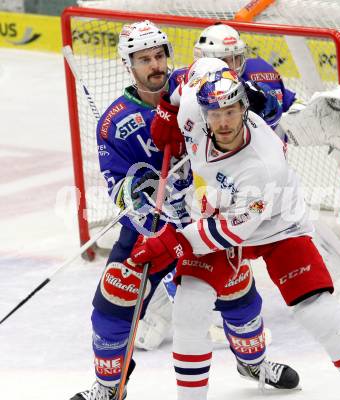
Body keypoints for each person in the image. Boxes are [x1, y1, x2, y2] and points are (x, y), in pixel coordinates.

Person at [129, 66, 340, 400]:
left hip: (277, 225)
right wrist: (168, 112)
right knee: (189, 309)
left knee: (320, 315)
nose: (223, 123)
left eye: (230, 112)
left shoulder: (264, 166)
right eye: (215, 114)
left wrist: (173, 242)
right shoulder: (193, 109)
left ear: (244, 109)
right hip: (222, 209)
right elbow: (190, 76)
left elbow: (231, 232)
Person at [70, 21, 298, 400]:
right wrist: (142, 201)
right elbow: (118, 188)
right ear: (128, 64)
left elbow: (261, 110)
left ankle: (253, 362)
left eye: (159, 55)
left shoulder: (194, 85)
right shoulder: (114, 121)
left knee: (238, 290)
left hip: (204, 218)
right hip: (152, 230)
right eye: (144, 59)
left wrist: (254, 100)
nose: (155, 65)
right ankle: (110, 387)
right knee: (114, 298)